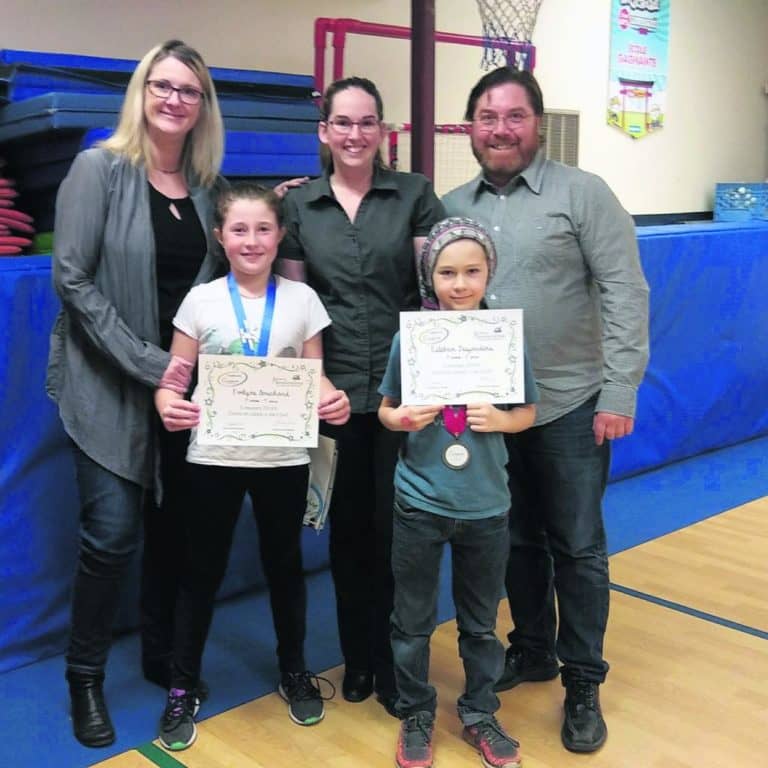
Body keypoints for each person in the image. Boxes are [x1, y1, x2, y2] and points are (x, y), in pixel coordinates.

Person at [443, 67, 650, 753]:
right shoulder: (452, 207)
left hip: (568, 403)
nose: (500, 129)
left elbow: (625, 291)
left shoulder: (583, 194)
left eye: (514, 116)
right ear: (469, 126)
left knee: (578, 546)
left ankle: (584, 681)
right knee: (514, 538)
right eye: (486, 117)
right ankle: (531, 648)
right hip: (490, 411)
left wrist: (619, 390)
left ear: (537, 122)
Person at [46, 39, 227, 748]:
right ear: (142, 91)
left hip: (183, 393)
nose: (175, 99)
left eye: (190, 90)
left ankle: (158, 653)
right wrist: (154, 368)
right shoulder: (99, 170)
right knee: (113, 536)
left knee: (174, 535)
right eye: (164, 84)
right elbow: (72, 279)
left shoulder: (209, 189)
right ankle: (83, 676)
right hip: (109, 385)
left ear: (203, 106)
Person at [153, 182, 350, 749]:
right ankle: (182, 685)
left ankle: (293, 670)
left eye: (263, 228)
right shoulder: (202, 301)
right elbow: (175, 372)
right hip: (213, 455)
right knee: (200, 571)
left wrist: (332, 398)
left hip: (284, 455)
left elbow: (316, 375)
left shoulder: (302, 300)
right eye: (239, 229)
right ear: (220, 237)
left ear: (280, 234)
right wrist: (167, 401)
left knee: (285, 566)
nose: (252, 240)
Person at [277, 76, 445, 712]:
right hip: (334, 396)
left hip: (403, 394)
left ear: (382, 131)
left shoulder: (414, 195)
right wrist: (318, 383)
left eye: (366, 122)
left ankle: (402, 663)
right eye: (341, 123)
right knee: (348, 533)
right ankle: (360, 658)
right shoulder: (299, 206)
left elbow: (433, 292)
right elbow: (296, 305)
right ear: (324, 132)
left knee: (399, 531)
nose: (354, 134)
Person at [378, 217, 538, 768]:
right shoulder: (411, 339)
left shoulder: (504, 340)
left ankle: (479, 711)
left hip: (487, 504)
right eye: (448, 272)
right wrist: (400, 418)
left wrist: (502, 419)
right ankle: (416, 711)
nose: (461, 284)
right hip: (420, 501)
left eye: (472, 271)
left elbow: (530, 412)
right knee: (412, 619)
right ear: (431, 276)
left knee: (480, 622)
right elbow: (385, 409)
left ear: (489, 271)